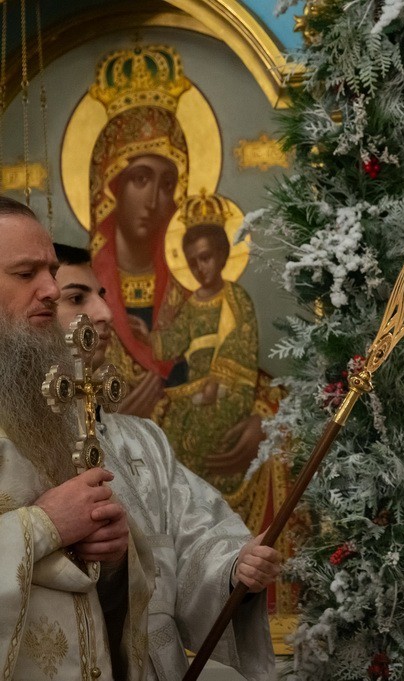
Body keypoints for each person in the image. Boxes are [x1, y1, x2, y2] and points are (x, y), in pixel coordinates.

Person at [53, 241, 280, 680]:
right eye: (77, 298)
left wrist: (235, 567)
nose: (104, 314)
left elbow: (195, 535)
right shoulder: (15, 442)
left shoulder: (144, 440)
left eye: (102, 296)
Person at [0, 196, 150, 680]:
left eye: (51, 271)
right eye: (26, 274)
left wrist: (112, 555)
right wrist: (45, 525)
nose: (50, 289)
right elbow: (52, 525)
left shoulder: (43, 400)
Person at [128, 190, 260, 491]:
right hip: (196, 387)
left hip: (232, 387)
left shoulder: (235, 297)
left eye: (205, 258)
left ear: (222, 254)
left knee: (205, 431)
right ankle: (184, 498)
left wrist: (220, 381)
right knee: (172, 427)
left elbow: (241, 341)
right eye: (192, 263)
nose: (200, 268)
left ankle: (211, 495)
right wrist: (149, 337)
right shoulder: (193, 302)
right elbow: (176, 339)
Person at [88, 44, 193, 419]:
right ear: (110, 187)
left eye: (167, 185)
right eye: (140, 179)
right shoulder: (81, 293)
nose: (153, 200)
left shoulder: (188, 290)